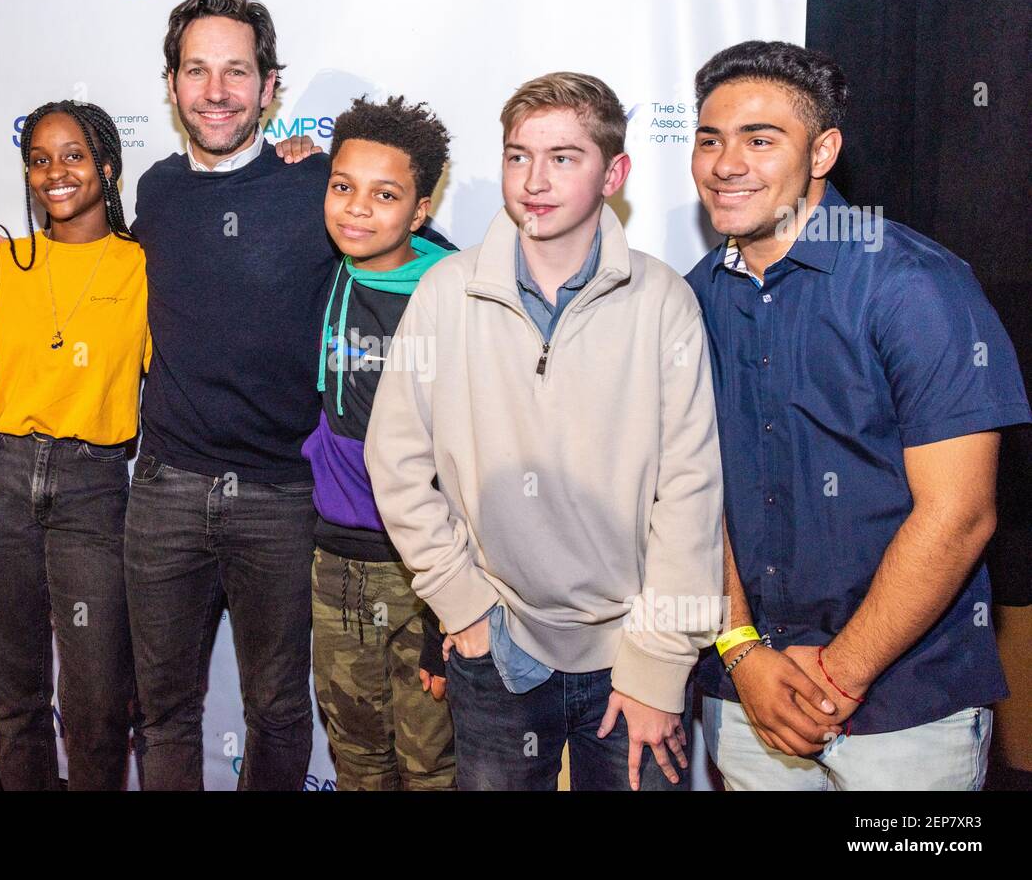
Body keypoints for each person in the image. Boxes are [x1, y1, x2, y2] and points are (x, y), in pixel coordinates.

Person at [685, 40, 1031, 790]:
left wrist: (837, 675)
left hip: (905, 710)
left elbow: (960, 513)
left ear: (823, 151)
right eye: (709, 138)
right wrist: (743, 650)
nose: (726, 162)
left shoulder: (914, 285)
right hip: (748, 697)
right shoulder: (693, 297)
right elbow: (688, 491)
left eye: (760, 138)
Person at [365, 72, 724, 790]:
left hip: (635, 652)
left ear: (613, 173)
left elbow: (691, 492)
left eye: (563, 157)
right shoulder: (446, 292)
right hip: (497, 648)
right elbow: (395, 459)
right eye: (517, 155)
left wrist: (658, 664)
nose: (534, 179)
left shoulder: (664, 302)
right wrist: (462, 604)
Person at [125, 0, 337, 790]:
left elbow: (409, 237)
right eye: (197, 71)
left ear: (270, 86)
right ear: (173, 84)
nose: (217, 92)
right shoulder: (155, 190)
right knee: (165, 707)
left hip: (282, 492)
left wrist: (322, 153)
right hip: (165, 487)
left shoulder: (319, 185)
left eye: (237, 72)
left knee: (279, 708)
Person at [0, 100, 148, 790]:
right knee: (15, 702)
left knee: (98, 706)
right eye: (38, 159)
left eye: (72, 155)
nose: (54, 173)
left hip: (93, 488)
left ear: (106, 164)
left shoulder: (143, 266)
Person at [304, 95, 457, 790]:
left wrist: (448, 613)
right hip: (335, 558)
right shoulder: (328, 267)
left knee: (431, 763)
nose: (358, 209)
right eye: (343, 187)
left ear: (421, 210)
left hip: (424, 572)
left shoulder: (449, 295)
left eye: (385, 195)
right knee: (357, 754)